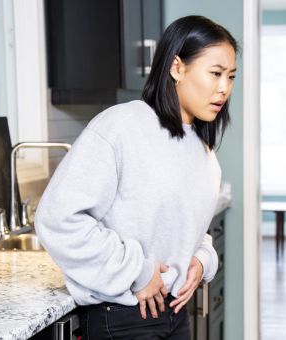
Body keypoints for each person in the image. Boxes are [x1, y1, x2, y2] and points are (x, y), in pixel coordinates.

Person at [34, 15, 237, 339]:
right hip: (124, 317)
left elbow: (185, 231)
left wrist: (202, 260)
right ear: (177, 67)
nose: (224, 88)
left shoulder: (202, 151)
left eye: (230, 76)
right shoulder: (120, 127)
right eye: (215, 73)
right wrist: (137, 272)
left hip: (175, 314)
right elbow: (56, 219)